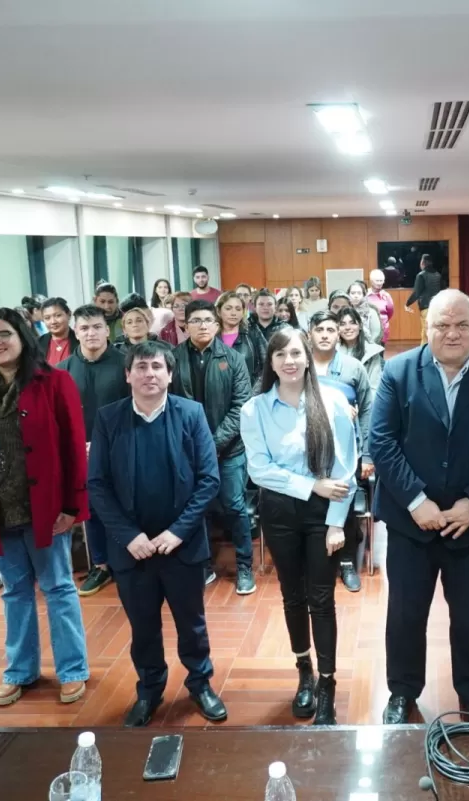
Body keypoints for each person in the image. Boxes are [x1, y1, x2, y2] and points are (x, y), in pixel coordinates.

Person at [371, 289, 469, 724]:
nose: (452, 333)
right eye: (442, 325)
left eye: (462, 325)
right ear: (426, 327)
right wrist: (417, 500)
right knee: (404, 614)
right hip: (409, 523)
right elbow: (380, 442)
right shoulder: (398, 372)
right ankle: (402, 692)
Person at [0, 308, 90, 706]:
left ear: (23, 337)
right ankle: (21, 670)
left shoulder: (54, 381)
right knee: (15, 592)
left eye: (4, 334)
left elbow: (73, 449)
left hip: (46, 507)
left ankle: (72, 669)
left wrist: (72, 506)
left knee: (59, 588)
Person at [87, 340, 226, 725]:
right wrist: (128, 536)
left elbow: (208, 479)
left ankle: (200, 683)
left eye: (157, 367)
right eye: (142, 367)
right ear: (127, 374)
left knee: (192, 624)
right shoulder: (109, 418)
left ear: (170, 373)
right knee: (143, 626)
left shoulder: (191, 413)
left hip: (181, 546)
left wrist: (178, 531)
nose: (150, 373)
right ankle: (149, 689)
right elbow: (96, 484)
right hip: (133, 550)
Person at [240, 327, 357, 725]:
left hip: (325, 513)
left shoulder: (334, 401)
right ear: (270, 363)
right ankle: (303, 671)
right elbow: (259, 471)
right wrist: (311, 485)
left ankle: (328, 683)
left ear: (307, 356)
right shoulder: (254, 409)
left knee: (322, 599)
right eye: (280, 356)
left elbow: (346, 470)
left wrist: (337, 523)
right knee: (292, 596)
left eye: (295, 353)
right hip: (279, 514)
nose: (289, 361)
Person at [171, 300, 257, 595]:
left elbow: (241, 406)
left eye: (208, 319)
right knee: (198, 509)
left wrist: (214, 443)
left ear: (217, 324)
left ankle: (245, 566)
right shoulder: (173, 358)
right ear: (186, 325)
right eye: (196, 320)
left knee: (235, 507)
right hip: (188, 451)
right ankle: (203, 564)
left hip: (229, 450)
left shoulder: (233, 360)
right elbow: (169, 406)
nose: (203, 325)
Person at [56, 305, 130, 597]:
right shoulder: (62, 372)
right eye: (84, 328)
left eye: (97, 326)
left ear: (107, 329)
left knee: (125, 505)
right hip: (80, 453)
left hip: (121, 449)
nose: (91, 333)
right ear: (76, 331)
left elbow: (134, 409)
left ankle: (127, 560)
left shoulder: (126, 363)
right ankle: (100, 564)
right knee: (92, 510)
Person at [307, 310, 374, 592]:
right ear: (309, 332)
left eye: (330, 330)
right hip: (307, 449)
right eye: (319, 329)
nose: (325, 335)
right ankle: (315, 561)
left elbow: (368, 410)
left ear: (339, 334)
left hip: (346, 451)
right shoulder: (299, 364)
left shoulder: (352, 367)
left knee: (343, 503)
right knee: (312, 503)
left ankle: (347, 562)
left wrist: (368, 454)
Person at [216, 290, 265, 383]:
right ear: (218, 311)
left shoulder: (252, 332)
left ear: (243, 312)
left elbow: (267, 365)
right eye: (228, 308)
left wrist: (254, 392)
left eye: (238, 309)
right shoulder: (210, 336)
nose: (233, 313)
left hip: (248, 394)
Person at [337, 306, 385, 390]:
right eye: (342, 324)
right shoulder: (333, 350)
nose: (348, 327)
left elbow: (374, 387)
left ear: (360, 326)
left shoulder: (371, 352)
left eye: (352, 323)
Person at [406, 254, 445, 343]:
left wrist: (407, 303)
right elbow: (443, 291)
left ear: (423, 262)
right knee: (435, 330)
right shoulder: (438, 275)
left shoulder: (421, 275)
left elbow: (416, 293)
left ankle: (425, 353)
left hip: (426, 308)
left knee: (426, 332)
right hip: (438, 308)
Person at [39, 297, 78, 366]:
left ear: (69, 315)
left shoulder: (80, 341)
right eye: (47, 318)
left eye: (58, 316)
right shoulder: (38, 343)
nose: (53, 322)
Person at [347, 280, 384, 345]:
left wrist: (368, 347)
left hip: (368, 346)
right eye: (353, 293)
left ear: (363, 295)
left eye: (359, 293)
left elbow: (376, 333)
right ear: (348, 295)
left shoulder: (371, 311)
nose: (356, 296)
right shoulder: (345, 311)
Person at [366, 269, 395, 345]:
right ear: (371, 281)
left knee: (380, 354)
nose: (379, 283)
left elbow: (390, 312)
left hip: (382, 330)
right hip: (367, 330)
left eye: (381, 281)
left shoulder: (386, 296)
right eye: (377, 281)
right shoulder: (365, 294)